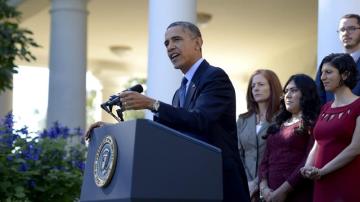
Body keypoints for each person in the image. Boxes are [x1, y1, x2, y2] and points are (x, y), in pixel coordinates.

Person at [86, 21, 250, 202]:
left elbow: (200, 120)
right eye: (166, 43)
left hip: (219, 182)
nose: (170, 47)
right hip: (191, 183)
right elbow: (165, 136)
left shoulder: (214, 77)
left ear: (197, 43)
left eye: (176, 40)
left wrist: (152, 104)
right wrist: (114, 132)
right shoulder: (179, 94)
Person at [301, 53, 360, 202]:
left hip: (347, 181)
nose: (322, 78)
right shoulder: (325, 108)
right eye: (321, 73)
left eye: (328, 72)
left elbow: (356, 147)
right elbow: (317, 142)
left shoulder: (358, 105)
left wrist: (323, 170)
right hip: (321, 181)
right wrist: (308, 166)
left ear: (345, 74)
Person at [259, 74, 320, 202]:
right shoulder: (277, 125)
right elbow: (265, 160)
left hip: (298, 194)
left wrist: (283, 191)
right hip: (269, 195)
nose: (288, 95)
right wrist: (264, 188)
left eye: (293, 90)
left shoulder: (312, 124)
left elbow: (308, 161)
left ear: (306, 94)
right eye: (286, 91)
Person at [237, 69, 282, 201]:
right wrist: (247, 181)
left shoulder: (282, 119)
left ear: (272, 87)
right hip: (245, 186)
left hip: (271, 186)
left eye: (261, 84)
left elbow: (278, 156)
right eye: (253, 86)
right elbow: (237, 154)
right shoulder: (242, 120)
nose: (255, 88)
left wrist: (257, 182)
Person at [316, 14, 360, 105]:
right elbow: (317, 96)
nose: (346, 33)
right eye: (342, 30)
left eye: (351, 28)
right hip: (330, 116)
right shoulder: (326, 63)